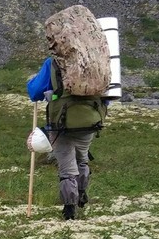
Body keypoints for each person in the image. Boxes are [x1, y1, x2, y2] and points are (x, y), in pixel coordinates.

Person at [27, 52, 107, 220]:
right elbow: (106, 95)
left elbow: (35, 92)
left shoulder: (53, 62)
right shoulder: (94, 58)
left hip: (61, 123)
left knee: (67, 166)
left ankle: (69, 208)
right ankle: (81, 193)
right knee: (82, 158)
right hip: (90, 120)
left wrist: (33, 83)